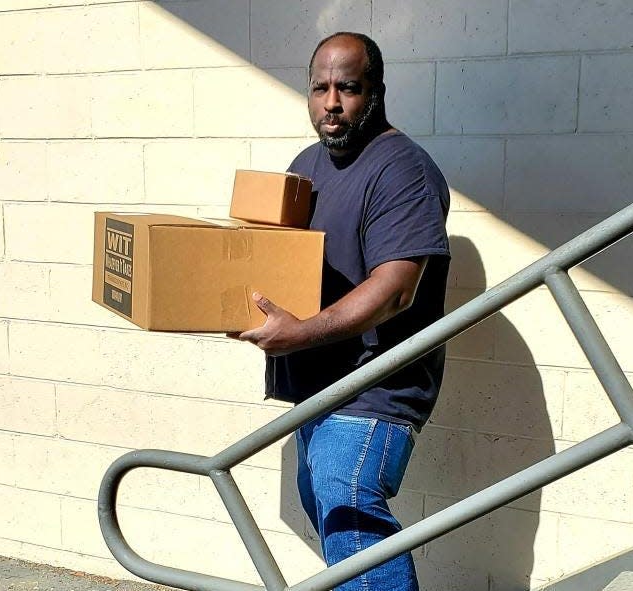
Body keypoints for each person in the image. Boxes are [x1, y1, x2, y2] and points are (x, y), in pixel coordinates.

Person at [236, 32, 450, 591]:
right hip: (317, 381)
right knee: (331, 513)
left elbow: (397, 288)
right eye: (320, 88)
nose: (331, 102)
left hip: (376, 384)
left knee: (351, 513)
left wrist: (302, 331)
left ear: (375, 91)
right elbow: (277, 256)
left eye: (348, 88)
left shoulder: (403, 170)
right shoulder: (307, 164)